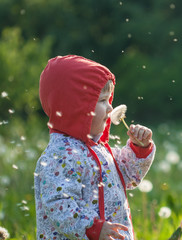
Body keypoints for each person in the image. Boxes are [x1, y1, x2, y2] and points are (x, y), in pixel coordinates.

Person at [34, 55, 156, 240]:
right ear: (76, 107)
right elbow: (58, 203)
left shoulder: (99, 150)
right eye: (101, 101)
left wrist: (140, 149)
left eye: (109, 100)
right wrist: (91, 228)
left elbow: (129, 175)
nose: (109, 108)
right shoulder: (59, 156)